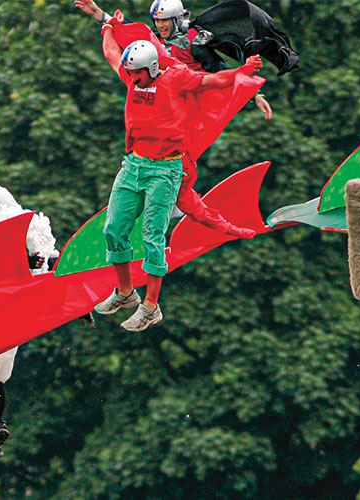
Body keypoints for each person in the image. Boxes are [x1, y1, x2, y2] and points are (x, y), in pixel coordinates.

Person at [90, 15, 261, 332]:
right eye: (130, 73)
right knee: (113, 229)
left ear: (153, 68)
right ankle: (126, 293)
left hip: (166, 169)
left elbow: (214, 82)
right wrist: (107, 27)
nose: (132, 78)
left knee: (152, 237)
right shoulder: (131, 79)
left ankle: (151, 307)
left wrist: (242, 72)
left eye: (137, 73)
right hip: (134, 164)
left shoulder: (177, 78)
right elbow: (111, 53)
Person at [0, 184, 66, 467]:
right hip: (2, 307)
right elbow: (51, 260)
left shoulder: (17, 229)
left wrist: (76, 305)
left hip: (15, 310)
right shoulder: (20, 232)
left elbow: (45, 263)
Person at [75, 0, 275, 120]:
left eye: (165, 20)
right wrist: (98, 13)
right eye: (157, 20)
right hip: (168, 100)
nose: (160, 25)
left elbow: (219, 70)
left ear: (177, 19)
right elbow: (128, 30)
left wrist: (254, 94)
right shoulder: (156, 40)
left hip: (194, 95)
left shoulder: (194, 41)